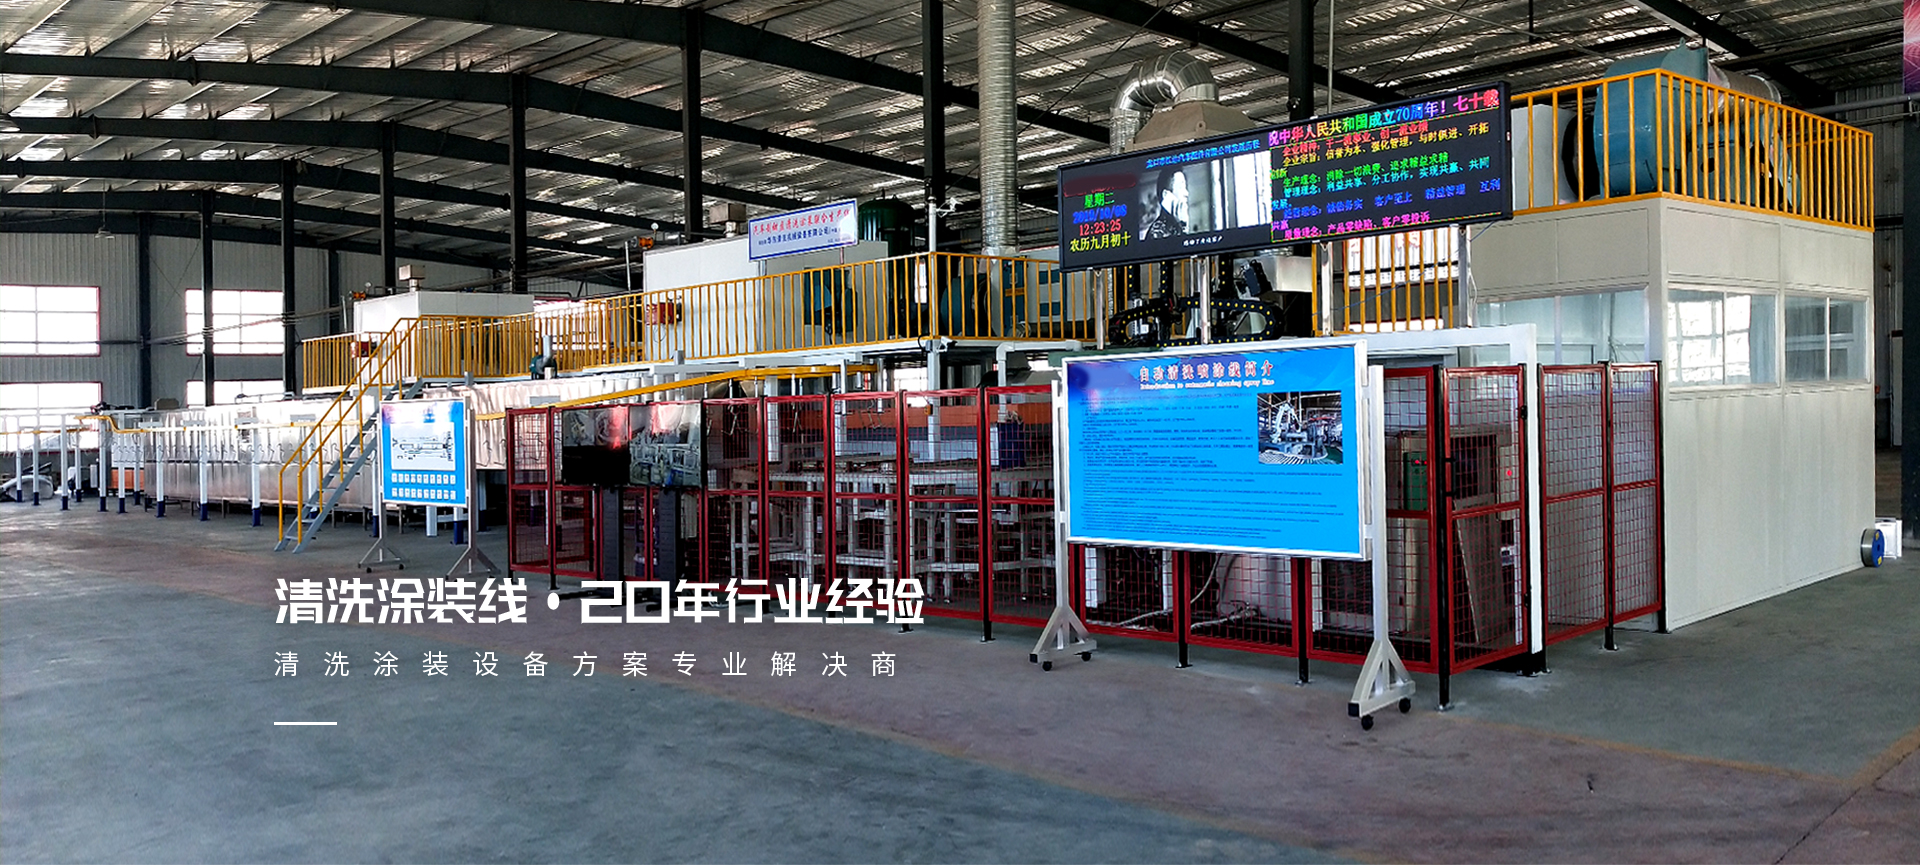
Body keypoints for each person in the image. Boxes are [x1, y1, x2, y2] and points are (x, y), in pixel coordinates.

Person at [1137, 167, 1189, 240]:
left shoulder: (1176, 225)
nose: (1186, 193)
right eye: (1181, 187)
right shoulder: (1157, 233)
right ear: (1166, 195)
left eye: (1185, 187)